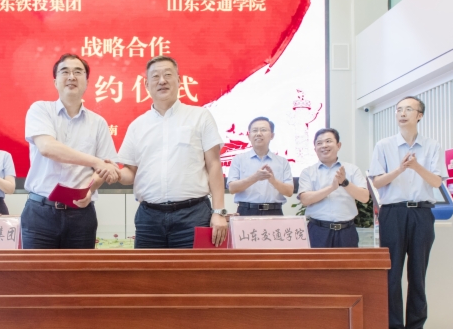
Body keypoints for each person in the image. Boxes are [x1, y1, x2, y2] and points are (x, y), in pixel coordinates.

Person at [117, 56, 228, 248]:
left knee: (192, 269)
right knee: (147, 269)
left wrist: (219, 212)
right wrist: (114, 173)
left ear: (179, 80)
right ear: (146, 85)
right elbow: (130, 173)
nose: (162, 81)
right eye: (155, 76)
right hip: (149, 218)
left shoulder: (200, 116)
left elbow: (214, 164)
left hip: (193, 215)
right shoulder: (137, 126)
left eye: (168, 75)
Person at [368, 96, 447, 329]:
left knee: (418, 272)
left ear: (419, 115)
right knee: (392, 273)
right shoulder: (384, 145)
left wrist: (416, 166)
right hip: (393, 213)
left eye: (408, 109)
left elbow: (437, 182)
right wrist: (401, 169)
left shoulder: (432, 146)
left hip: (422, 213)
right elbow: (376, 182)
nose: (402, 114)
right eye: (399, 110)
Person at [22, 54, 119, 248]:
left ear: (87, 82)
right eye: (65, 72)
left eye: (78, 72)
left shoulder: (98, 122)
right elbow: (47, 148)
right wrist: (95, 161)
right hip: (40, 213)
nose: (71, 77)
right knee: (37, 269)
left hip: (81, 215)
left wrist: (90, 188)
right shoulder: (40, 110)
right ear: (55, 81)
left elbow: (107, 166)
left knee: (80, 269)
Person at [298, 128, 370, 248]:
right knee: (317, 261)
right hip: (318, 231)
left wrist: (345, 183)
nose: (324, 146)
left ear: (338, 145)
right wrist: (332, 188)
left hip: (346, 232)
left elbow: (364, 197)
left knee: (348, 261)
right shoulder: (308, 172)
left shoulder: (352, 169)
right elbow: (305, 199)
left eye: (328, 141)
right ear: (315, 149)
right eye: (319, 143)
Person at [227, 117, 294, 215]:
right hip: (246, 211)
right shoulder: (238, 159)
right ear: (249, 136)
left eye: (263, 130)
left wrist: (273, 181)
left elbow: (289, 191)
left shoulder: (283, 162)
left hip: (274, 212)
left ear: (272, 135)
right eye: (255, 130)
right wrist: (255, 178)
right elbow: (232, 188)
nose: (258, 133)